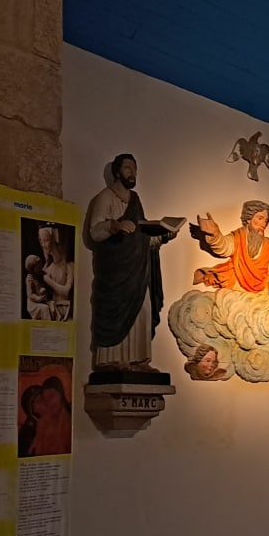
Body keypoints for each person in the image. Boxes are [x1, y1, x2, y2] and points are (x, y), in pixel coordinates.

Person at [86, 154, 180, 372]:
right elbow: (95, 231)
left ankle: (138, 360)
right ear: (117, 172)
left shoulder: (135, 200)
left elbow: (140, 237)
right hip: (115, 271)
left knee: (143, 310)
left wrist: (164, 236)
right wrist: (114, 226)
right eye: (128, 168)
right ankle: (112, 360)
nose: (132, 173)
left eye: (135, 168)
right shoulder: (105, 197)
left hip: (137, 270)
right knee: (116, 310)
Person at [193, 201, 269, 294]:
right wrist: (215, 235)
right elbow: (224, 247)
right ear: (249, 219)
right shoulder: (238, 237)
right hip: (238, 287)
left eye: (266, 221)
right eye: (260, 218)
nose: (263, 224)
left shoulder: (268, 245)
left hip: (262, 291)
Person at [26, 376, 72, 457]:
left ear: (60, 394)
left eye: (51, 396)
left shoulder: (71, 417)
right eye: (46, 399)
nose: (49, 402)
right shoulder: (41, 425)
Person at [37, 224, 73, 321]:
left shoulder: (69, 265)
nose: (43, 245)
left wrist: (49, 281)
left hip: (66, 311)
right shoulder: (47, 269)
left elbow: (66, 292)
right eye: (41, 241)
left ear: (54, 240)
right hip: (53, 313)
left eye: (46, 240)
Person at [24, 254, 52, 319]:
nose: (41, 266)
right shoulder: (30, 279)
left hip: (42, 300)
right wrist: (39, 298)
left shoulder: (39, 273)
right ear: (33, 268)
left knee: (52, 304)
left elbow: (45, 267)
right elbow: (31, 295)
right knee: (45, 308)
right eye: (39, 265)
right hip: (33, 304)